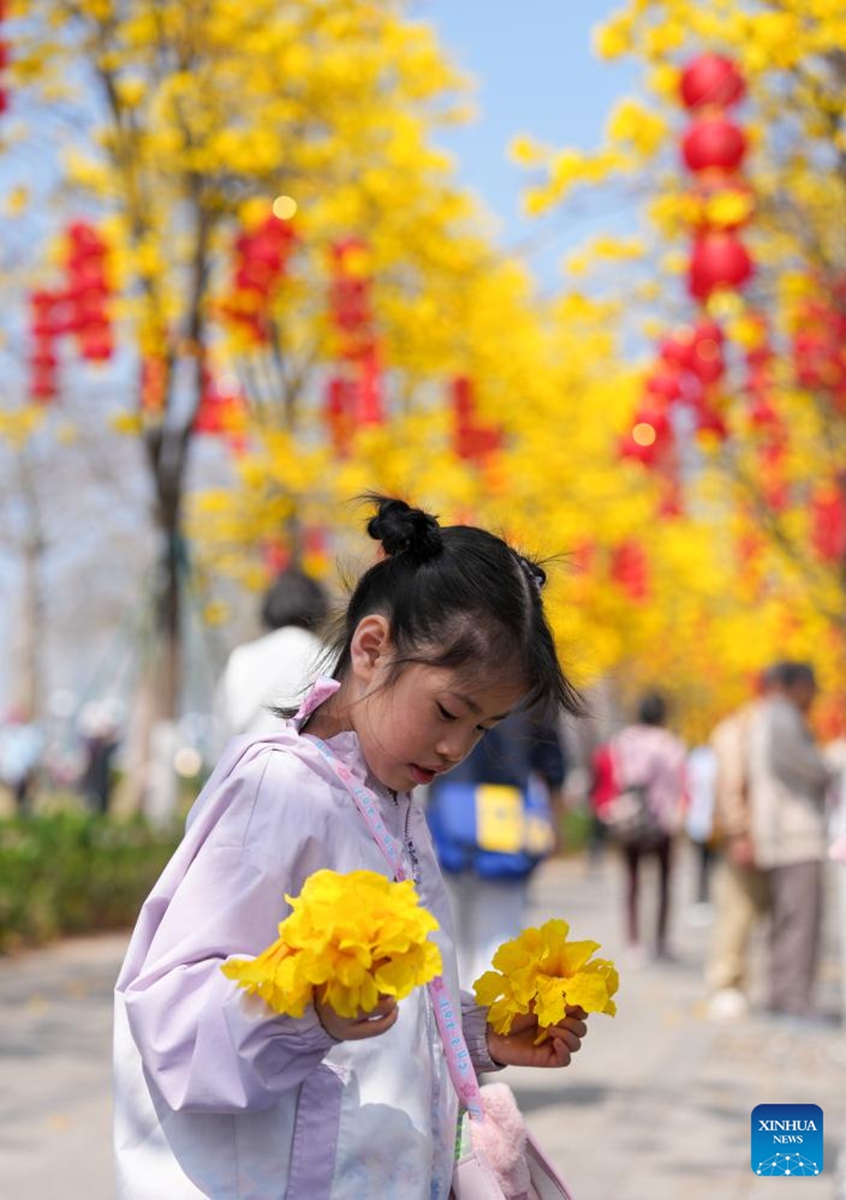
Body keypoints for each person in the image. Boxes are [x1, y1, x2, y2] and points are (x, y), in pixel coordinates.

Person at [114, 494, 589, 1199]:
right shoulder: (280, 788)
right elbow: (175, 1027)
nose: (457, 746)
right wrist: (309, 1012)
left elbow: (389, 1009)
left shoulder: (390, 800)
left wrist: (478, 1032)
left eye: (483, 729)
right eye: (449, 711)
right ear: (371, 648)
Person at [424, 708, 568, 988]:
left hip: (450, 807)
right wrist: (555, 818)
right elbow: (552, 761)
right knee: (500, 930)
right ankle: (487, 1015)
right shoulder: (530, 684)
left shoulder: (449, 669)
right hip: (506, 816)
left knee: (447, 933)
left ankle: (452, 1016)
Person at [747, 661, 834, 1019]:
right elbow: (812, 769)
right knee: (801, 920)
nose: (813, 698)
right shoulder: (781, 718)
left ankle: (782, 993)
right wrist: (830, 767)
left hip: (780, 833)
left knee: (787, 918)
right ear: (798, 685)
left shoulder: (765, 716)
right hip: (796, 834)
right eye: (811, 689)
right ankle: (794, 997)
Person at [705, 665, 783, 1021]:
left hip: (764, 836)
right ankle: (728, 984)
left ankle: (744, 984)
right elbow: (732, 783)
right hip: (747, 836)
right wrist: (739, 831)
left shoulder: (759, 724)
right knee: (738, 911)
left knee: (754, 911)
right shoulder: (742, 728)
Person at [606, 691, 687, 964]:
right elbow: (680, 781)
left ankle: (633, 942)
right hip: (663, 819)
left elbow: (617, 775)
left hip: (630, 816)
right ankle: (662, 941)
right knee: (664, 882)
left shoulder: (623, 740)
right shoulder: (670, 743)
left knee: (632, 881)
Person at [215, 564, 329, 743]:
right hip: (306, 764)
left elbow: (224, 724)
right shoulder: (327, 657)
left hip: (249, 761)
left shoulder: (242, 657)